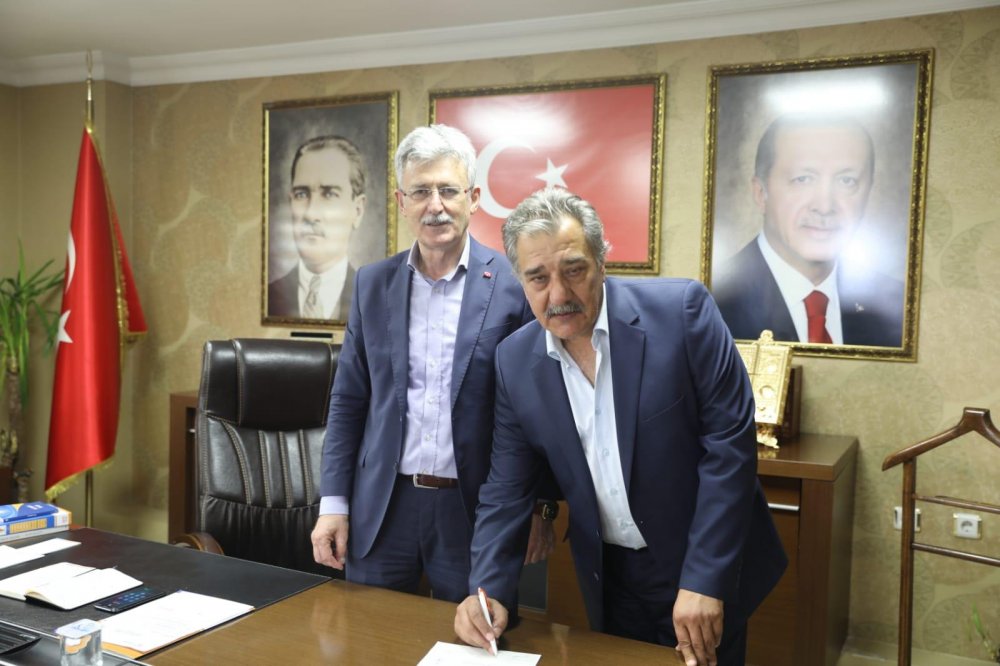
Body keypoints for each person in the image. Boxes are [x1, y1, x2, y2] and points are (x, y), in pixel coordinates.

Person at [453, 188, 786, 666]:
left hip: (701, 564)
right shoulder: (514, 361)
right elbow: (505, 487)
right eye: (538, 278)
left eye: (574, 270)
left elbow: (729, 451)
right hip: (611, 575)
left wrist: (704, 579)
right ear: (520, 281)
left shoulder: (683, 313)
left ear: (602, 263)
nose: (558, 295)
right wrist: (486, 592)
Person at [310, 125, 554, 602]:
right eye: (420, 191)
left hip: (476, 510)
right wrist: (333, 503)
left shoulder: (514, 286)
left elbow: (539, 409)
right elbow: (348, 402)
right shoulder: (372, 285)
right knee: (369, 635)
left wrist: (540, 507)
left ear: (474, 198)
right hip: (383, 507)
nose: (435, 205)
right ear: (401, 201)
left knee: (473, 636)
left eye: (448, 190)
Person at [712, 113, 904, 347]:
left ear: (868, 191)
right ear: (761, 193)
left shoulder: (899, 308)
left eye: (847, 181)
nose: (825, 207)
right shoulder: (710, 306)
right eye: (803, 179)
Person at [268, 135, 367, 322]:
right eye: (301, 194)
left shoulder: (378, 301)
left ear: (357, 211)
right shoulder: (268, 298)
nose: (311, 213)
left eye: (329, 194)